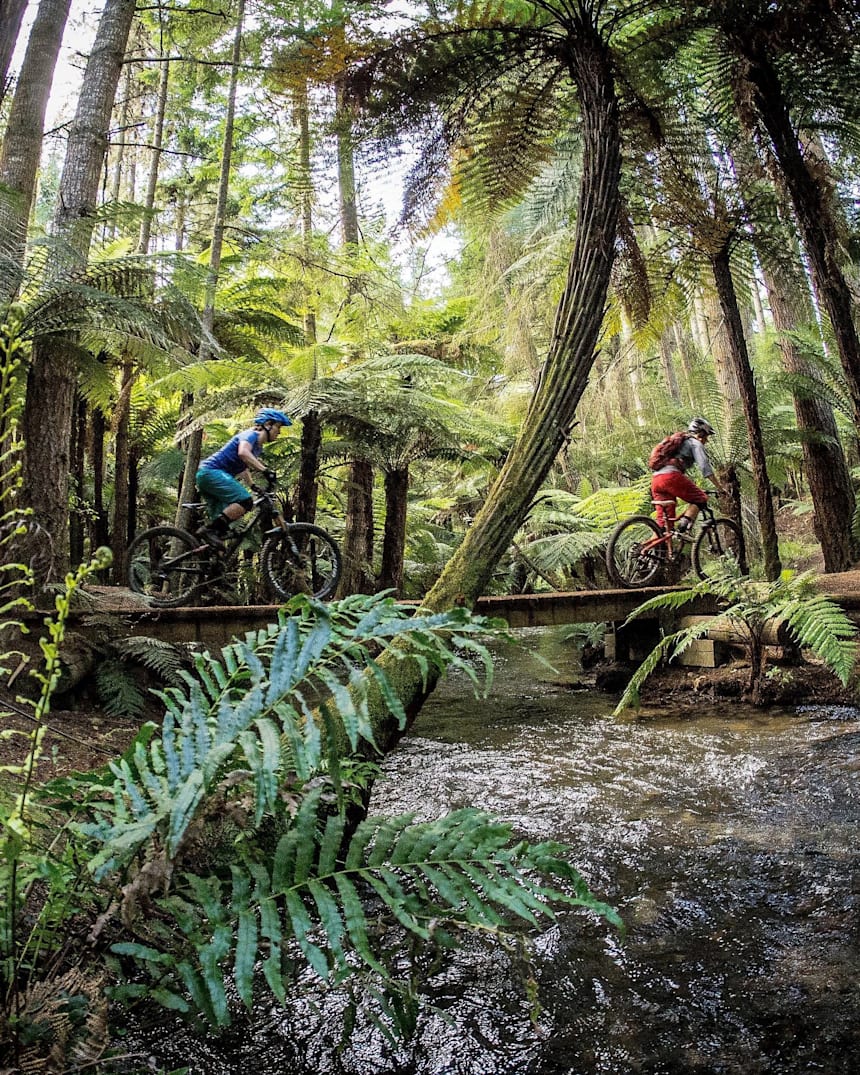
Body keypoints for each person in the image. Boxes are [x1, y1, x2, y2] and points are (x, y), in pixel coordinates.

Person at [195, 408, 292, 548]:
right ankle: (207, 531)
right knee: (245, 501)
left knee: (219, 532)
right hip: (211, 472)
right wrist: (265, 471)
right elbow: (243, 453)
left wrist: (253, 486)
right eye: (278, 427)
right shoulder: (251, 435)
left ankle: (207, 557)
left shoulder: (257, 447)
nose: (279, 432)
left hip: (208, 476)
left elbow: (243, 467)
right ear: (268, 424)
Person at [651, 416, 722, 537]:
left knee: (664, 526)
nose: (707, 441)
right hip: (671, 477)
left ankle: (646, 547)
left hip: (656, 480)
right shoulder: (695, 443)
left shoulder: (679, 443)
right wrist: (720, 488)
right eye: (706, 437)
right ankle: (682, 528)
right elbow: (705, 467)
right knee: (701, 498)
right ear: (701, 434)